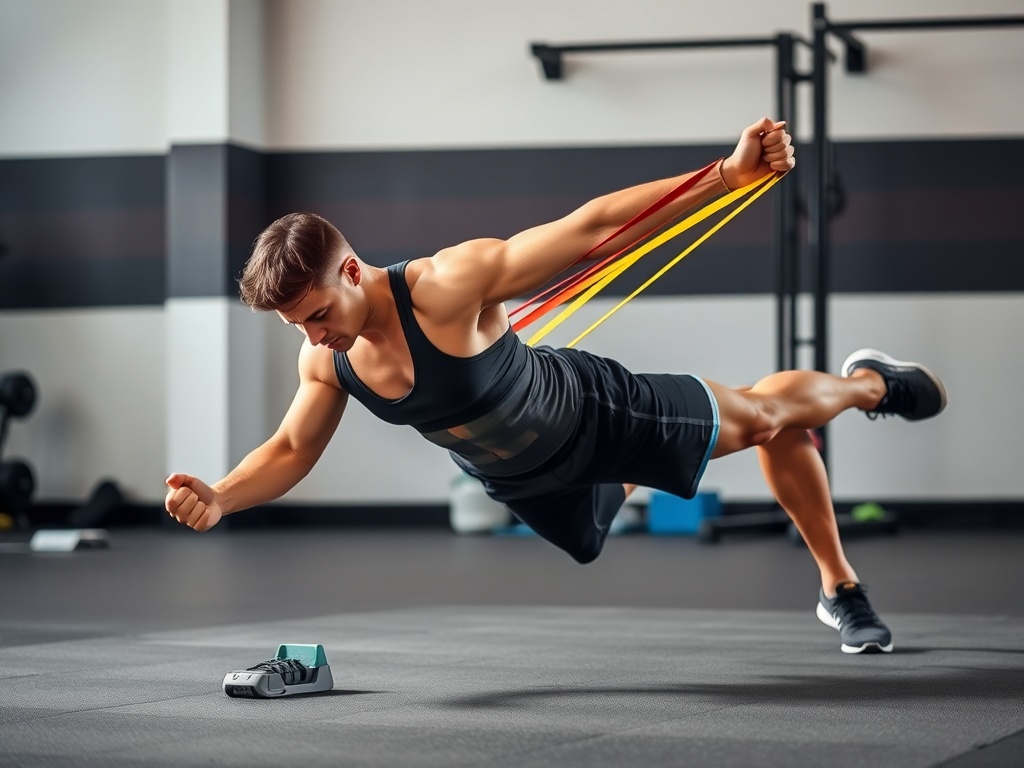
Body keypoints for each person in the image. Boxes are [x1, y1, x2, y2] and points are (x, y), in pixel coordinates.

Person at [165, 118, 946, 655]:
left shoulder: (445, 286)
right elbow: (292, 448)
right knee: (588, 545)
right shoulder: (325, 361)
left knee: (768, 420)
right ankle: (659, 469)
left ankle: (866, 407)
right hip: (530, 485)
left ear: (349, 270)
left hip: (596, 414)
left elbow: (590, 228)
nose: (313, 336)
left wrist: (725, 175)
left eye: (317, 315)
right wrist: (224, 496)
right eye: (295, 326)